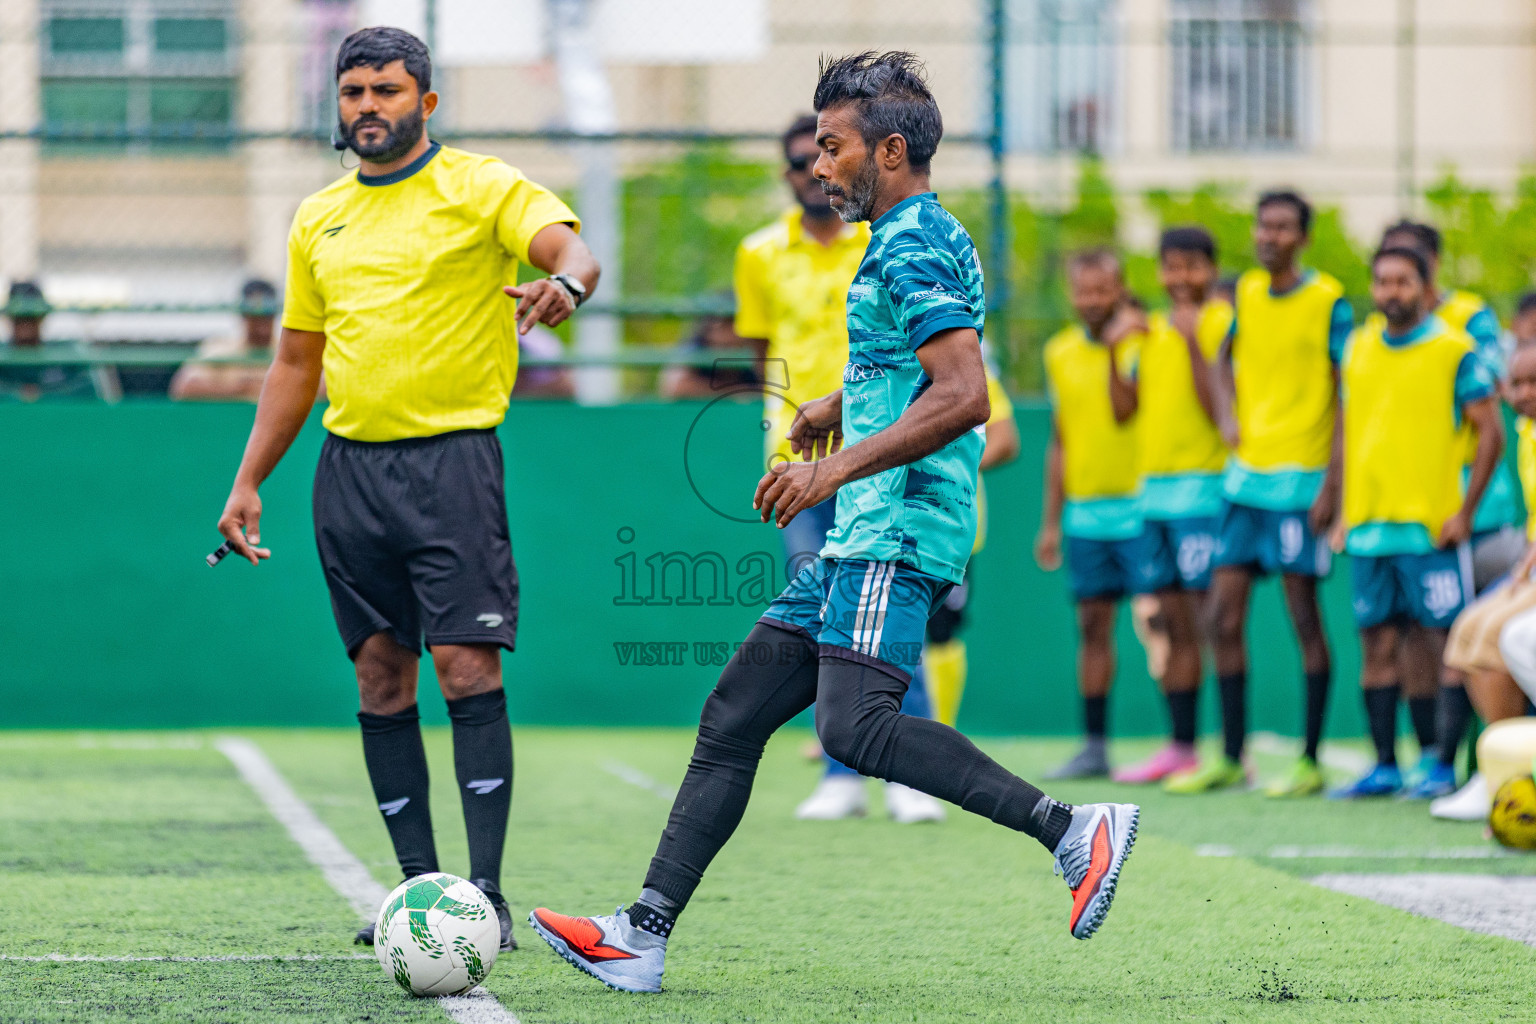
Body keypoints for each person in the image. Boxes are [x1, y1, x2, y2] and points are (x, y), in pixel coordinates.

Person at [527, 52, 1138, 995]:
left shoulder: (910, 241)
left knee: (855, 729)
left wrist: (833, 469)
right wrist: (831, 406)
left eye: (833, 146)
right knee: (733, 716)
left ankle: (1071, 830)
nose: (818, 165)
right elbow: (907, 369)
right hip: (864, 522)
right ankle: (641, 935)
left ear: (889, 151)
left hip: (892, 527)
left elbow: (966, 395)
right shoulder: (906, 234)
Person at [211, 27, 599, 951]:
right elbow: (297, 362)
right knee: (381, 674)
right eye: (352, 93)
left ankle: (487, 897)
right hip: (349, 474)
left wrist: (567, 290)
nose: (367, 108)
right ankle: (419, 896)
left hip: (452, 465)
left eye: (387, 91)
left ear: (425, 104)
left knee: (467, 667)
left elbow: (567, 249)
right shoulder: (318, 218)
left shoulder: (481, 186)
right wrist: (248, 479)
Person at [735, 113, 940, 824]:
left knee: (887, 608)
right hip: (801, 461)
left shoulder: (885, 240)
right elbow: (764, 355)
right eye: (799, 160)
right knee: (823, 608)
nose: (811, 171)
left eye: (821, 153)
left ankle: (908, 774)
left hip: (881, 453)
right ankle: (840, 771)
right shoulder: (758, 254)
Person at [1169, 190, 1352, 797]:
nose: (1268, 236)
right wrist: (1226, 416)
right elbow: (1224, 360)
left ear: (1302, 237)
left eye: (1282, 228)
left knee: (1303, 618)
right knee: (1222, 617)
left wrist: (1334, 482)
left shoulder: (1329, 302)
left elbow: (1346, 395)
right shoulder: (1245, 291)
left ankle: (1309, 759)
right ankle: (1230, 755)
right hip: (1245, 483)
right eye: (1263, 225)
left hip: (1302, 485)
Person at [1327, 246, 1502, 798]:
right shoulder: (1356, 348)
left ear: (1425, 287)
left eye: (1402, 282)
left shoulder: (1455, 350)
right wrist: (1341, 512)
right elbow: (1351, 431)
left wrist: (1465, 512)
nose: (1390, 292)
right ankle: (1385, 765)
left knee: (1445, 644)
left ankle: (1442, 763)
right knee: (1376, 646)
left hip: (1431, 529)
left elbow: (1490, 433)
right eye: (1381, 282)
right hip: (1370, 530)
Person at [1375, 222, 1522, 795]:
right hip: (1419, 515)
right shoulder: (1379, 337)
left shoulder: (1467, 324)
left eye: (1407, 268)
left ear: (1429, 266)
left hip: (1477, 516)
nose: (1394, 286)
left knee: (1459, 639)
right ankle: (1438, 762)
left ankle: (1465, 768)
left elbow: (1496, 393)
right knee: (1424, 637)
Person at [1112, 227, 1234, 783]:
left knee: (1217, 625)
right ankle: (1182, 747)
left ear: (1210, 270)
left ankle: (1233, 753)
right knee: (1175, 628)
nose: (1180, 279)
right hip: (1153, 499)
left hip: (1204, 495)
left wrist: (1190, 343)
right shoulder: (1149, 331)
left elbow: (1220, 413)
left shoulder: (1221, 325)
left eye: (1192, 267)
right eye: (1170, 267)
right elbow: (1124, 411)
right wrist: (1117, 350)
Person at [1034, 251, 1156, 779]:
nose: (1091, 302)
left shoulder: (1146, 344)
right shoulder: (1058, 352)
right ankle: (1095, 746)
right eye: (1083, 291)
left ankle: (1191, 744)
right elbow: (1059, 440)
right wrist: (1050, 522)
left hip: (1144, 510)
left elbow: (1130, 409)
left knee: (1163, 625)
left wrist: (1115, 350)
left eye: (1102, 291)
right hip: (1085, 518)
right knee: (1093, 629)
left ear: (1121, 290)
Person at [1435, 339, 1536, 819]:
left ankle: (1515, 774)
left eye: (1535, 382)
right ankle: (1498, 773)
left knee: (1500, 635)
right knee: (1468, 631)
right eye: (1517, 383)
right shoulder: (1527, 431)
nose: (1525, 392)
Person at [0, 281, 112, 401]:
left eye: (31, 317)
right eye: (20, 318)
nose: (25, 323)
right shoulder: (3, 357)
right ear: (10, 317)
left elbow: (88, 389)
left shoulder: (65, 354)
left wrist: (44, 395)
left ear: (42, 317)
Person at [170, 279, 279, 402]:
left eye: (267, 317)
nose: (262, 328)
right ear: (243, 315)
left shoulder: (287, 352)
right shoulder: (222, 349)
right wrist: (238, 390)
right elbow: (184, 387)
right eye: (255, 318)